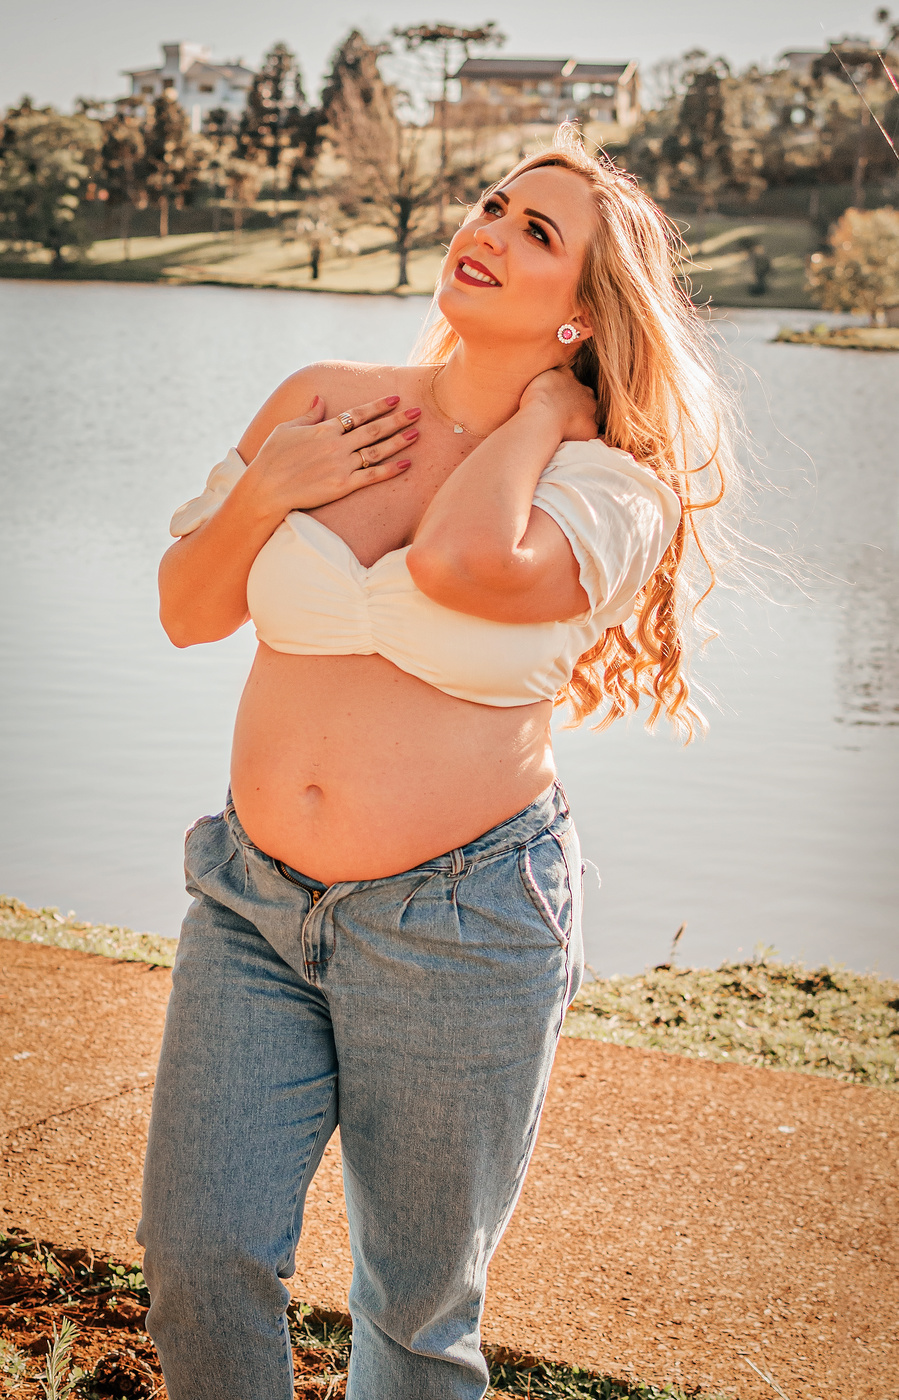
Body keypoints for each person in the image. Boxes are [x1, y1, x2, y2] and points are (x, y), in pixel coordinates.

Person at [139, 129, 734, 1400]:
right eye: (492, 203)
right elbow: (188, 609)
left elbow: (465, 562)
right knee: (197, 1258)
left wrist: (540, 416)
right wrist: (267, 490)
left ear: (584, 313)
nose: (488, 231)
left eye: (536, 233)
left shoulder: (605, 486)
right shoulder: (322, 398)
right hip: (250, 903)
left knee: (414, 1313)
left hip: (462, 925)